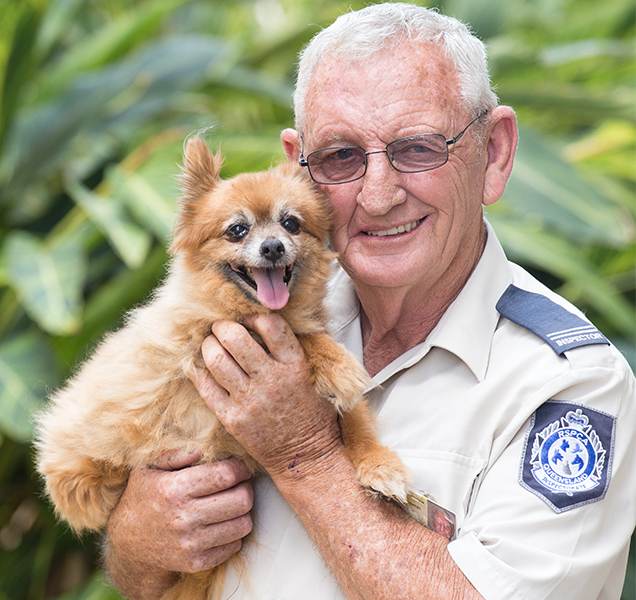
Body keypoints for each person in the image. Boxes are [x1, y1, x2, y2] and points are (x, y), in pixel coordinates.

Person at [103, 4, 636, 599]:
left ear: (493, 153)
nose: (379, 195)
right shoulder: (253, 311)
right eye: (341, 156)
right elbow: (140, 571)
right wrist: (135, 541)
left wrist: (306, 455)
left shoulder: (565, 383)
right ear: (297, 168)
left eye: (417, 148)